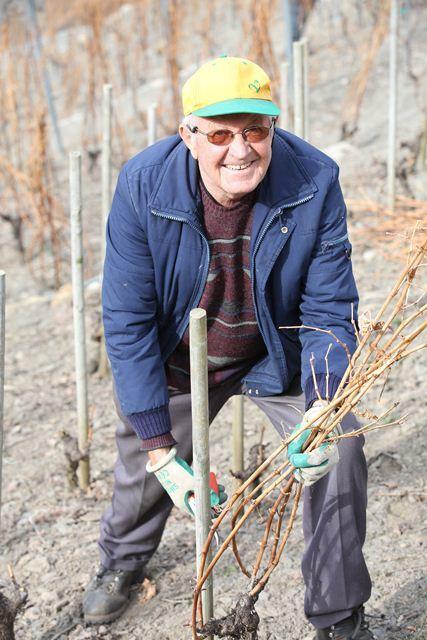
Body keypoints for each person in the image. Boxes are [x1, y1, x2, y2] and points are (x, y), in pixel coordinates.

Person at [83, 56, 375, 639]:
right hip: (182, 355)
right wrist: (160, 450)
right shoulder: (143, 184)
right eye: (219, 134)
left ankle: (338, 616)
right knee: (146, 462)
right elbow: (127, 319)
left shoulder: (315, 179)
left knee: (340, 449)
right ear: (188, 135)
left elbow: (329, 310)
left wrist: (321, 403)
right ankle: (122, 561)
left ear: (273, 128)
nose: (240, 150)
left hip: (275, 355)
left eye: (255, 130)